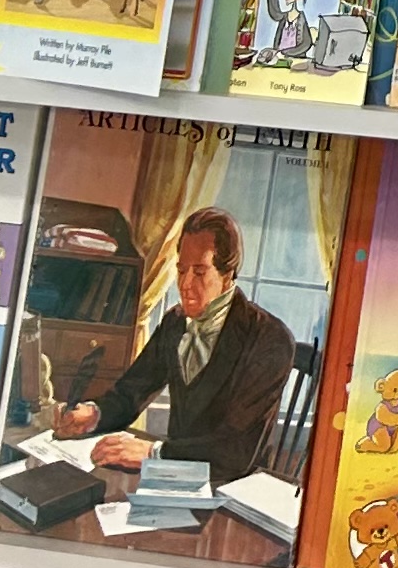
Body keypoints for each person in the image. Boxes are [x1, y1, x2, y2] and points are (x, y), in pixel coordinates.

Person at [55, 205, 297, 483]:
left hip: (234, 488)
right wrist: (94, 414)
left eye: (199, 272)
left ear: (228, 274)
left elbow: (236, 452)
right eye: (181, 270)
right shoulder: (175, 322)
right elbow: (130, 393)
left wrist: (153, 453)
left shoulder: (271, 339)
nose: (185, 284)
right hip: (171, 479)